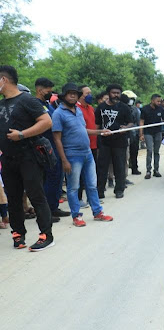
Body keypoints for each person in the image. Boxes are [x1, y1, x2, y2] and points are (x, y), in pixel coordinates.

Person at [0, 65, 55, 251]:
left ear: (3, 80)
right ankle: (18, 234)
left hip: (28, 156)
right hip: (8, 159)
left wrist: (22, 134)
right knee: (14, 199)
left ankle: (46, 235)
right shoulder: (1, 104)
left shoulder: (27, 100)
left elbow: (46, 122)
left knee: (36, 196)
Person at [51, 83, 113, 227]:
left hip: (87, 153)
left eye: (75, 94)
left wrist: (100, 132)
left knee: (92, 185)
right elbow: (57, 139)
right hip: (72, 156)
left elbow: (83, 130)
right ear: (64, 96)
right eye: (69, 93)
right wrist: (64, 160)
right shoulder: (58, 114)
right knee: (73, 188)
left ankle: (98, 212)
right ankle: (76, 216)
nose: (73, 96)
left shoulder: (78, 110)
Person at [34, 77, 69, 222]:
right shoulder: (35, 104)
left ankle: (54, 207)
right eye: (48, 90)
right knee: (50, 177)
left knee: (57, 177)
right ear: (39, 90)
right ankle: (47, 211)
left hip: (54, 144)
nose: (50, 93)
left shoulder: (47, 104)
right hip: (44, 145)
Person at [95, 84, 133, 199]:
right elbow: (97, 125)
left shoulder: (124, 107)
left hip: (120, 142)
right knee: (102, 168)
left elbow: (131, 122)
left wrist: (125, 128)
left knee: (119, 167)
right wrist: (99, 134)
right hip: (104, 142)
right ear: (108, 94)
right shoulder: (101, 107)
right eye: (113, 93)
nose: (116, 95)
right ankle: (100, 191)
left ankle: (119, 190)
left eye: (118, 93)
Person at [76, 85, 99, 207]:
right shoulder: (76, 109)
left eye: (90, 92)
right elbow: (82, 129)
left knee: (91, 175)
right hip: (81, 146)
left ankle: (91, 199)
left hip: (93, 144)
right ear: (80, 95)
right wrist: (99, 132)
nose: (90, 95)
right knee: (79, 175)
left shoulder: (90, 108)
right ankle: (78, 199)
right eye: (87, 93)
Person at [139, 94, 164, 179]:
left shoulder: (161, 109)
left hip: (158, 132)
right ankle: (148, 171)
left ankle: (156, 170)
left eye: (160, 101)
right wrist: (141, 134)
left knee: (156, 151)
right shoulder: (145, 109)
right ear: (152, 100)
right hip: (148, 132)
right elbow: (141, 122)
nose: (159, 103)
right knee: (149, 150)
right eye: (158, 101)